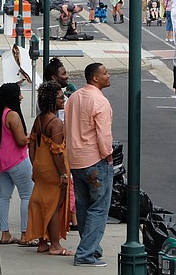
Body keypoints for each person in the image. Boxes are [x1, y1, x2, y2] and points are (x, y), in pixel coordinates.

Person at [65, 63, 114, 268]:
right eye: (105, 73)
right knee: (99, 208)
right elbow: (103, 134)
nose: (108, 75)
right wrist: (108, 156)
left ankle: (91, 248)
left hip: (75, 159)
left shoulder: (74, 98)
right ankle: (85, 253)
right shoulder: (100, 102)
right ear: (95, 78)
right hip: (94, 159)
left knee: (84, 206)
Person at [25, 82, 73, 255]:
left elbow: (31, 144)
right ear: (53, 100)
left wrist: (34, 165)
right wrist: (63, 174)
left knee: (44, 204)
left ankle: (42, 242)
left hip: (40, 168)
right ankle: (55, 245)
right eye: (61, 97)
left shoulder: (39, 119)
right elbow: (58, 153)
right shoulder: (56, 123)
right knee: (54, 206)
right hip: (54, 170)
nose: (63, 99)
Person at [0, 83, 34, 245]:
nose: (21, 97)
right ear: (12, 97)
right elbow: (21, 140)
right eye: (19, 94)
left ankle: (5, 233)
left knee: (4, 196)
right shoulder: (12, 115)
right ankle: (24, 234)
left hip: (0, 161)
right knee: (27, 195)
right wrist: (32, 136)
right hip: (17, 161)